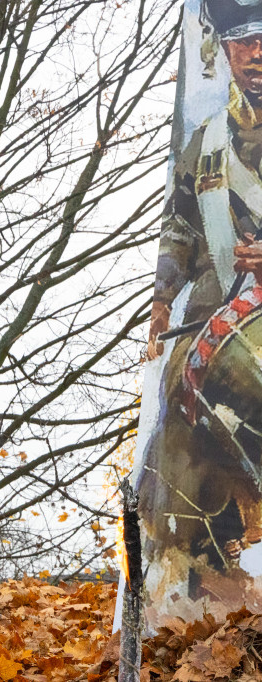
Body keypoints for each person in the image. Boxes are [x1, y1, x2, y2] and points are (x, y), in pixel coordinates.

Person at [142, 0, 262, 583]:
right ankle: (190, 596)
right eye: (243, 43)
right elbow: (180, 225)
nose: (257, 56)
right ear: (225, 51)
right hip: (215, 318)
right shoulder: (206, 143)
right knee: (176, 445)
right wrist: (164, 297)